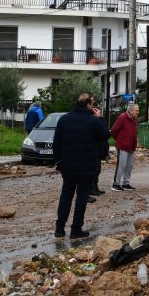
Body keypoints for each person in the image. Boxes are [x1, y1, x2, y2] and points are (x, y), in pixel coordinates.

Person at [53, 93, 110, 238]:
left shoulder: (64, 119)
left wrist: (58, 162)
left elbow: (56, 143)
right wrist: (100, 118)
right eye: (93, 103)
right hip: (86, 166)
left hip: (68, 166)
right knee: (81, 197)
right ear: (89, 105)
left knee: (66, 195)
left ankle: (59, 228)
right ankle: (76, 228)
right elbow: (105, 135)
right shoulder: (93, 120)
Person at [110, 103, 140, 191]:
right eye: (136, 110)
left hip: (131, 146)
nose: (138, 112)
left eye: (138, 110)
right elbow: (114, 130)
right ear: (131, 111)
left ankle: (126, 183)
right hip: (123, 146)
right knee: (121, 165)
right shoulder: (122, 117)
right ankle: (116, 184)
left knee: (129, 165)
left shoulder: (134, 118)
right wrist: (119, 140)